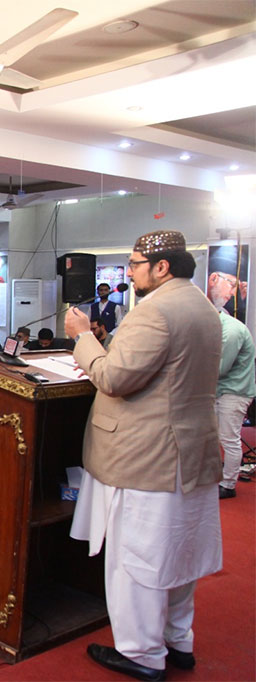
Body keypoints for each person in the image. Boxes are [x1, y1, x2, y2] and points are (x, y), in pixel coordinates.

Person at [64, 230, 222, 681]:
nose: (128, 272)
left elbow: (115, 378)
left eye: (133, 264)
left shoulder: (155, 312)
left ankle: (142, 653)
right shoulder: (202, 306)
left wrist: (82, 338)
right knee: (178, 554)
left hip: (146, 456)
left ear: (161, 266)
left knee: (137, 559)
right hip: (188, 452)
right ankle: (177, 641)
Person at [214, 309, 255, 499]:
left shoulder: (230, 331)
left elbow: (220, 368)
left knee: (229, 439)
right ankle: (218, 478)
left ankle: (228, 484)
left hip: (234, 392)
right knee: (216, 437)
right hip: (223, 391)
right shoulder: (220, 327)